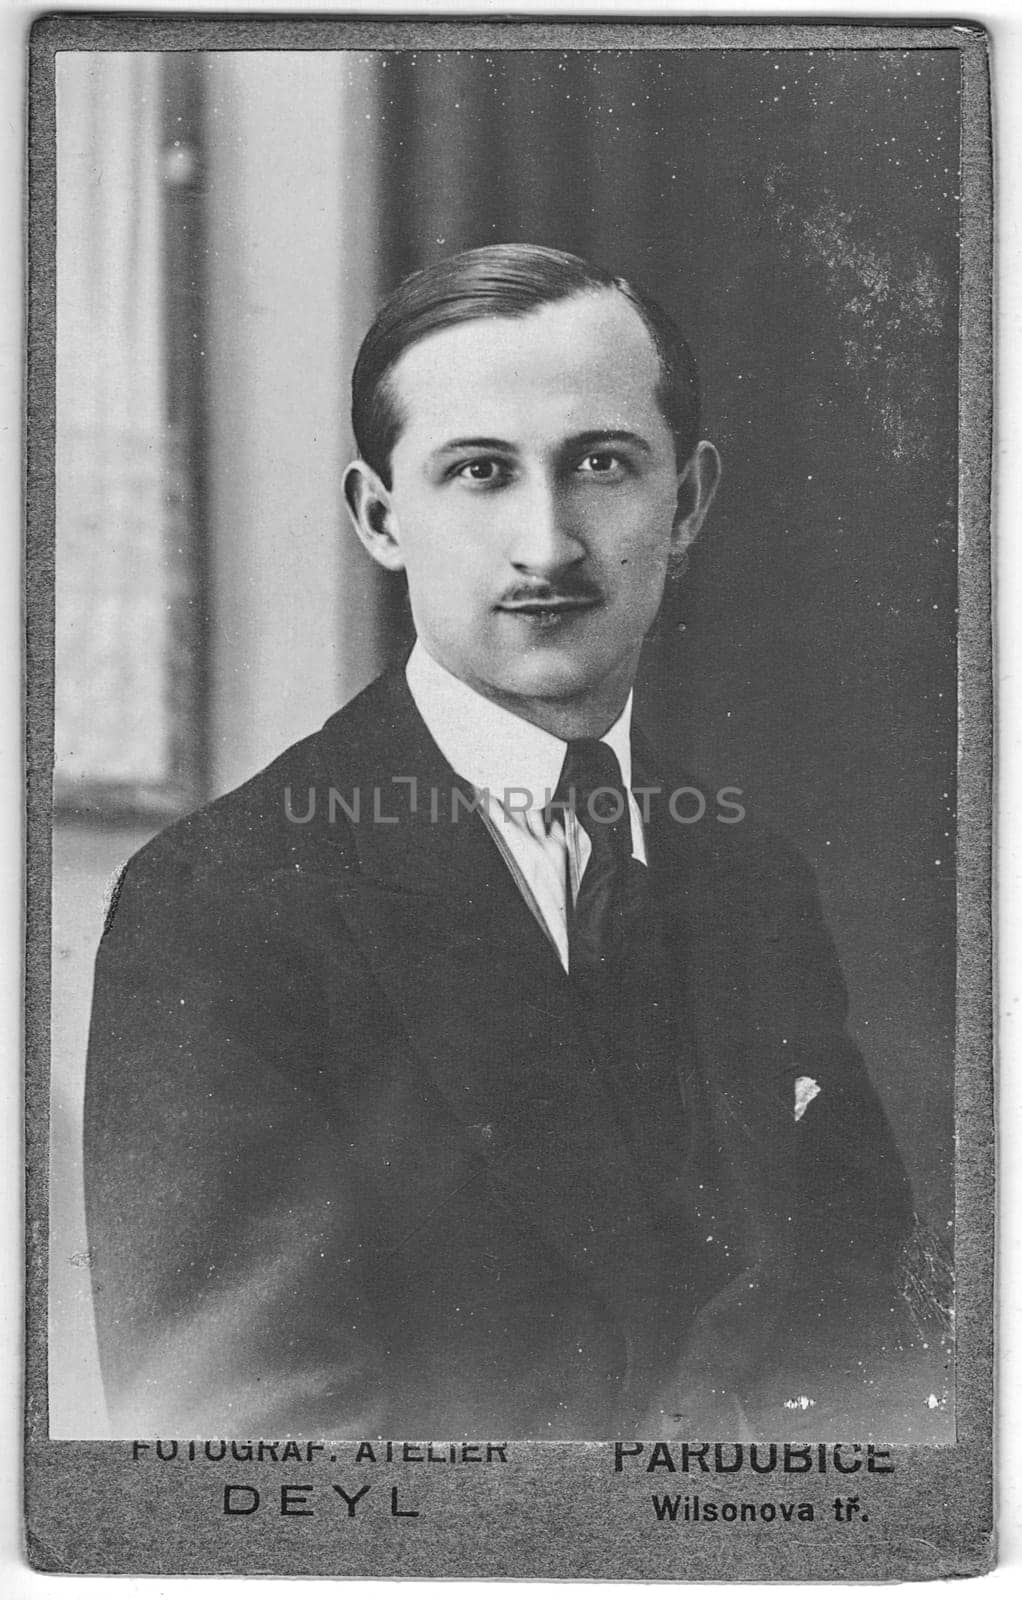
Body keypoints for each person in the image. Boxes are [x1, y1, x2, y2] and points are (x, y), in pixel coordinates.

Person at [84, 243, 948, 1442]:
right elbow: (246, 1460)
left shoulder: (750, 875)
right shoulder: (223, 906)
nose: (546, 543)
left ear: (686, 500)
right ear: (381, 517)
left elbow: (874, 1360)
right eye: (478, 472)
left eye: (600, 464)